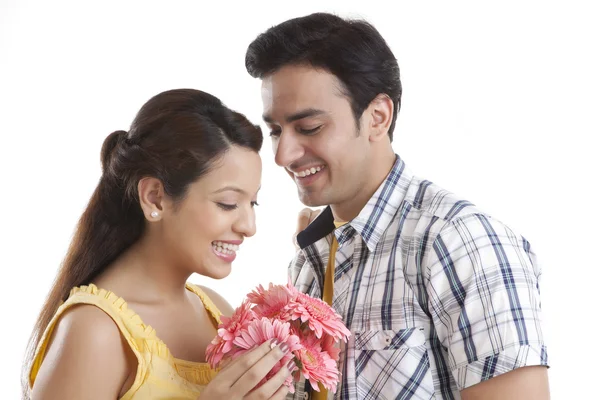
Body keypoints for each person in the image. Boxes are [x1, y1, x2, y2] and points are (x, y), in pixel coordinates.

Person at [246, 12, 550, 400]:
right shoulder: (309, 260)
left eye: (309, 128)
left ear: (378, 117)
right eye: (275, 131)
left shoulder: (459, 241)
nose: (283, 154)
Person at [22, 89, 294, 400]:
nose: (249, 227)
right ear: (155, 197)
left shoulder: (217, 313)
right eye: (228, 203)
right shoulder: (95, 331)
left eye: (253, 204)